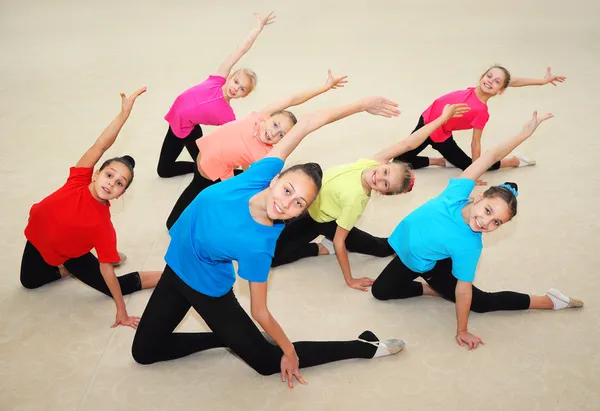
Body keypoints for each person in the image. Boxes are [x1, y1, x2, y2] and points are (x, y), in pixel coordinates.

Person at [132, 96, 405, 388]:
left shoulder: (259, 247)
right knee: (144, 353)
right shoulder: (259, 173)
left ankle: (364, 347)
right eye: (287, 190)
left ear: (302, 212)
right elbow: (309, 122)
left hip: (206, 289)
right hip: (175, 267)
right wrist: (361, 104)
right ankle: (223, 336)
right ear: (274, 179)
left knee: (266, 363)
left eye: (299, 203)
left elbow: (260, 311)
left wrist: (288, 350)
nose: (287, 203)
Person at [372, 111, 583, 350]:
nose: (486, 222)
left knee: (480, 302)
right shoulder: (456, 193)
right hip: (409, 256)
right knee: (380, 292)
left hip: (425, 264)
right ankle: (433, 290)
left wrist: (462, 330)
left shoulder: (470, 245)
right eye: (488, 210)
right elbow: (490, 156)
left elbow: (463, 291)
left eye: (496, 223)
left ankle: (548, 301)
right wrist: (524, 134)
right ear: (479, 196)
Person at [272, 104, 471, 292]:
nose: (379, 177)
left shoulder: (355, 201)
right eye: (385, 171)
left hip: (319, 221)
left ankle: (322, 248)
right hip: (305, 203)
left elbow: (340, 242)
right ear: (382, 163)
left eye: (385, 184)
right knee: (271, 222)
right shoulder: (368, 164)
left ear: (383, 192)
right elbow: (408, 143)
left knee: (383, 248)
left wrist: (350, 279)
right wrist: (443, 118)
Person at [20, 88, 162, 329]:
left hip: (72, 254)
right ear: (96, 173)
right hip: (39, 237)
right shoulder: (79, 178)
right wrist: (123, 115)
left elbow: (108, 274)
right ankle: (71, 268)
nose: (111, 183)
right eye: (109, 175)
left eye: (120, 183)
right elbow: (101, 144)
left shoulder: (102, 226)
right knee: (29, 282)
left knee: (115, 284)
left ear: (121, 194)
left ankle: (170, 275)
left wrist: (122, 311)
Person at [165, 69, 348, 229]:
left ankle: (181, 223)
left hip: (209, 175)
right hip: (205, 160)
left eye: (282, 135)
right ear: (268, 117)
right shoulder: (259, 117)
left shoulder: (264, 154)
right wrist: (324, 87)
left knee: (201, 200)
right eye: (275, 124)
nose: (273, 133)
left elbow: (250, 173)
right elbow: (292, 99)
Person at [156, 12, 275, 178]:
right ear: (230, 77)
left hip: (187, 131)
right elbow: (240, 51)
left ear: (243, 96)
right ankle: (198, 168)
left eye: (242, 89)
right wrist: (257, 30)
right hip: (177, 126)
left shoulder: (227, 115)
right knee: (165, 171)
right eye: (236, 81)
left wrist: (250, 168)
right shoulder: (217, 79)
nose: (236, 88)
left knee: (200, 168)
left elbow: (239, 140)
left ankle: (236, 176)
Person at [394, 66, 566, 170]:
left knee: (475, 165)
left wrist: (475, 172)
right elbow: (512, 81)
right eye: (489, 76)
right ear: (482, 76)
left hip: (442, 136)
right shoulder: (478, 88)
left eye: (497, 82)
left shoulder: (481, 112)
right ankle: (440, 161)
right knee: (398, 162)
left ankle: (514, 161)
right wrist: (542, 81)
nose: (490, 81)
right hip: (426, 120)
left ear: (500, 90)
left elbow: (475, 143)